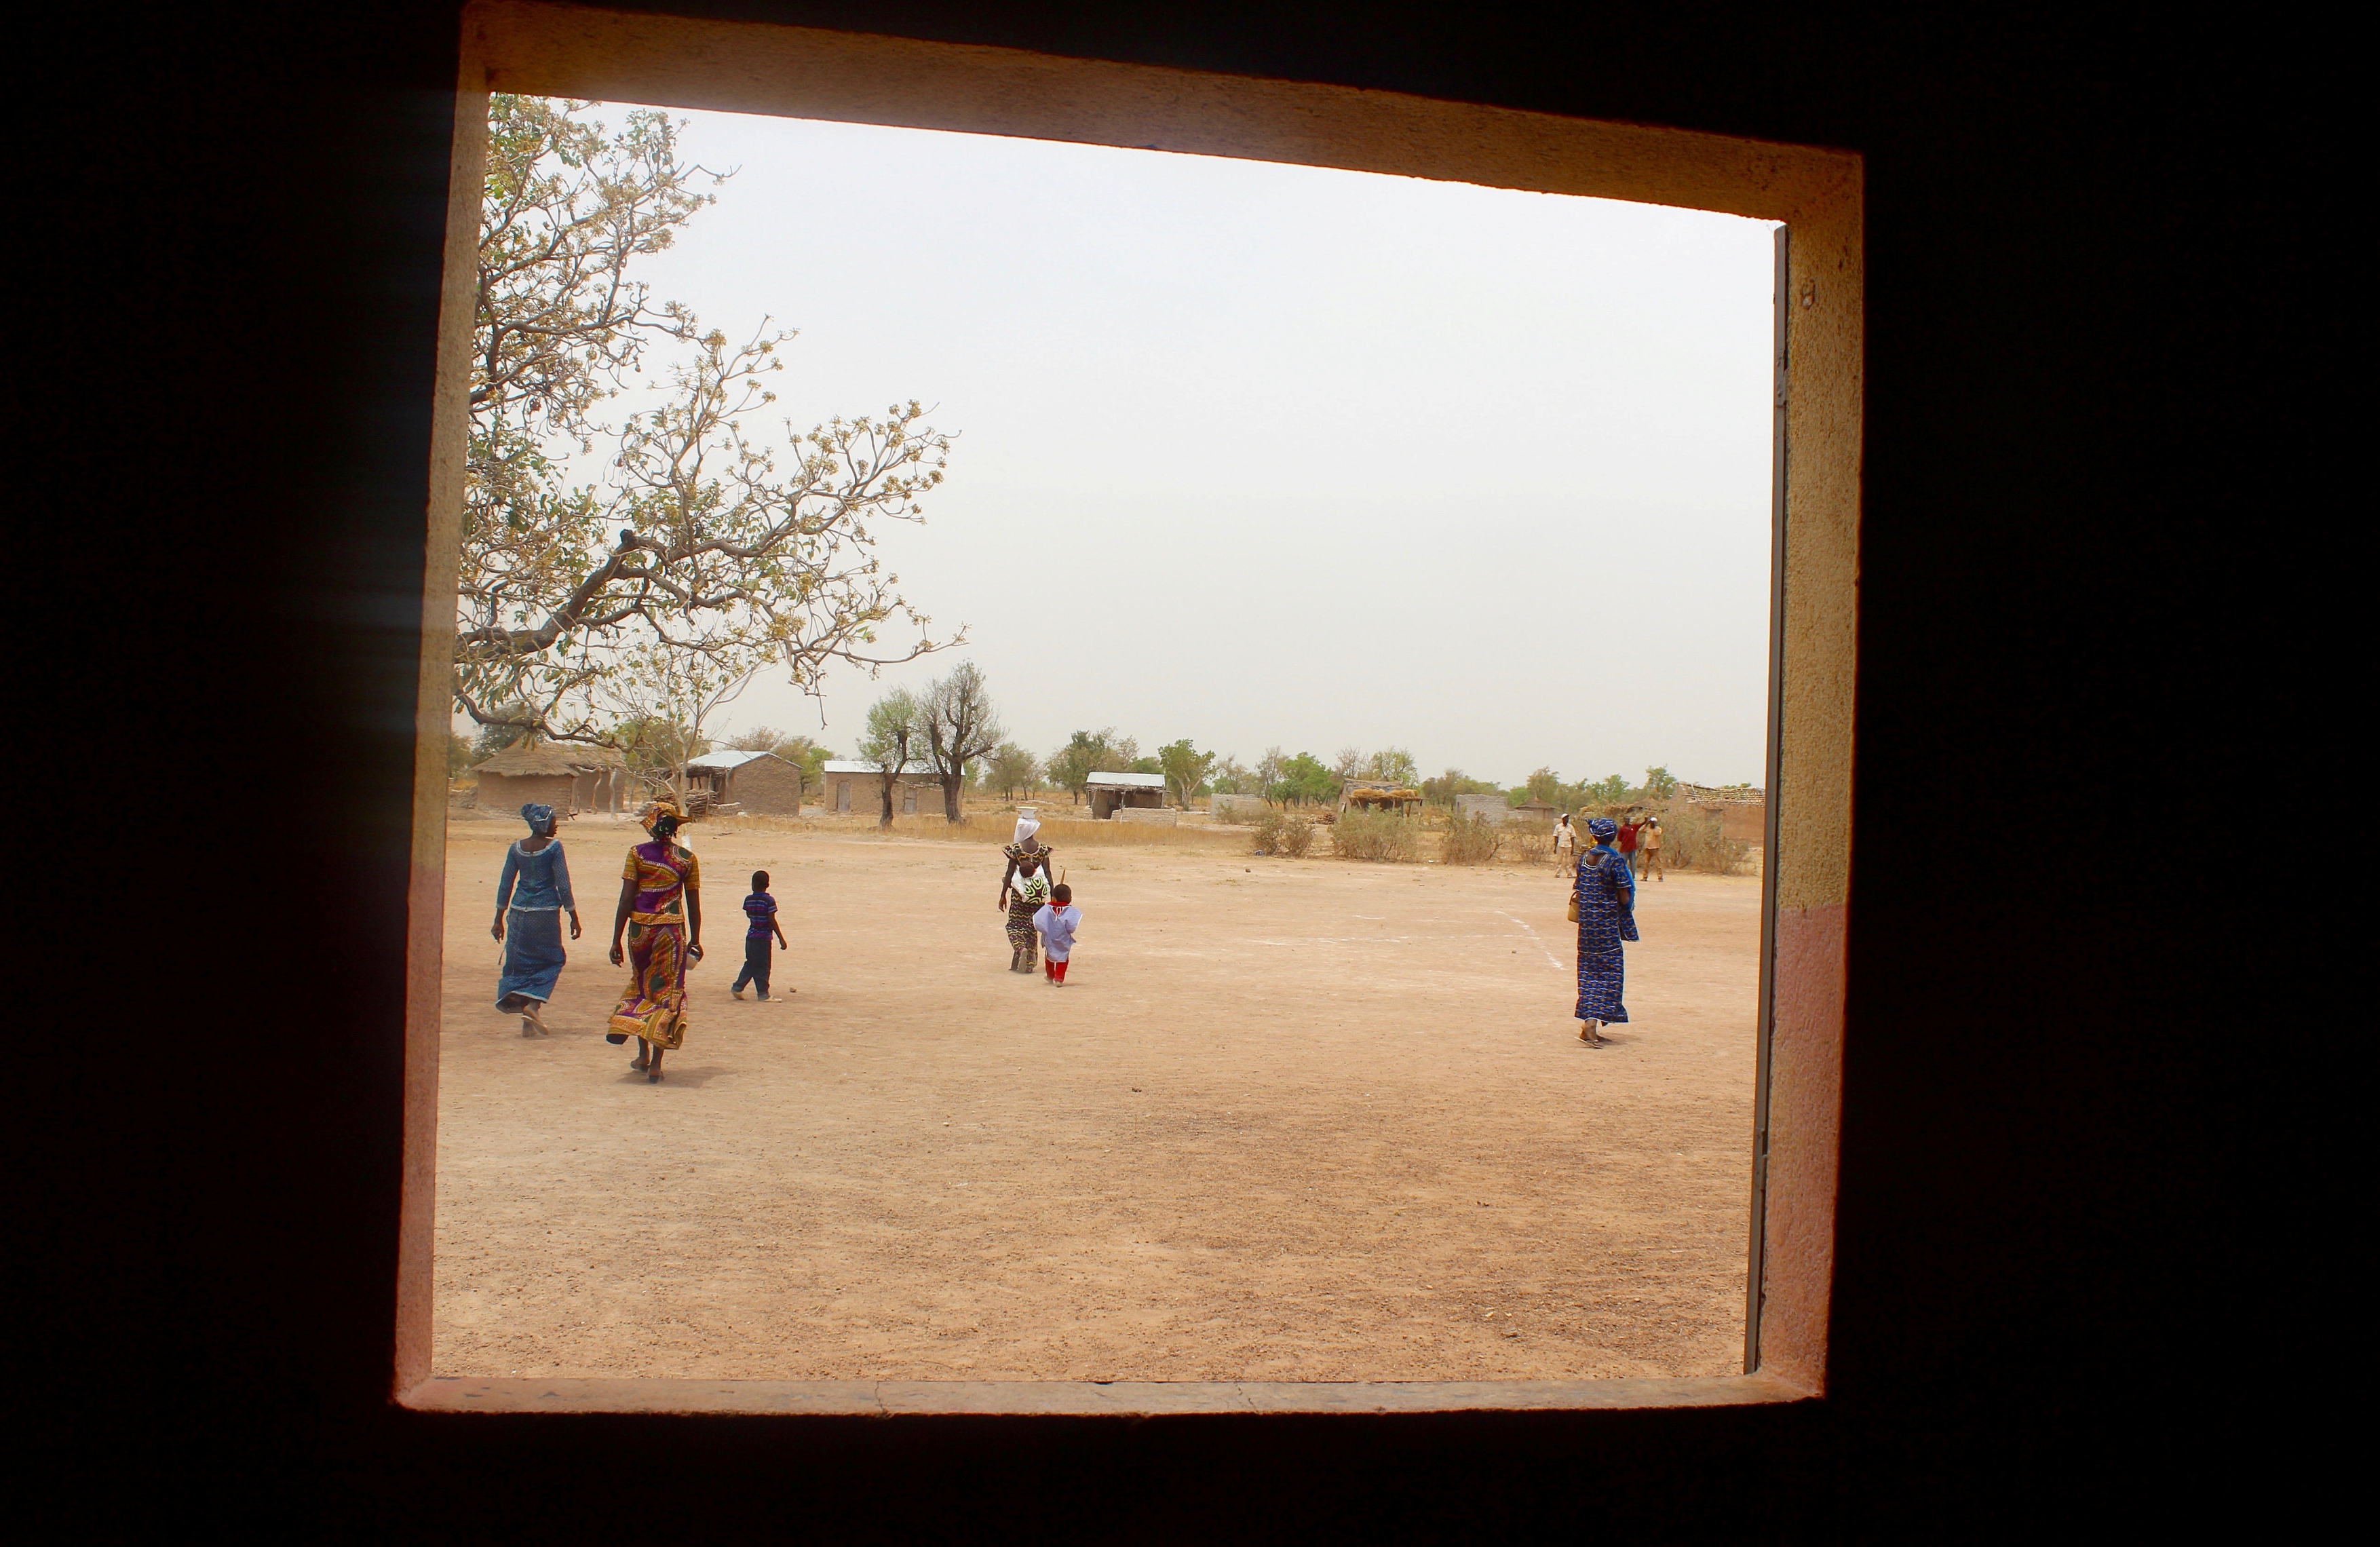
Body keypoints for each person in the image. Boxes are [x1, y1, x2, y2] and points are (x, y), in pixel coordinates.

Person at [606, 798, 703, 1082]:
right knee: (666, 993)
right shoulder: (687, 859)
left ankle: (643, 1054)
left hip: (640, 933)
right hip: (671, 934)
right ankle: (657, 1063)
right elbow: (693, 904)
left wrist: (615, 939)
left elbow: (626, 899)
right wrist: (695, 939)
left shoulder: (636, 854)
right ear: (674, 829)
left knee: (643, 988)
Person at [492, 802, 581, 1036]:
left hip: (519, 914)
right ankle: (532, 1006)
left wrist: (498, 919)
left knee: (521, 964)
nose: (557, 826)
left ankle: (527, 1023)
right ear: (544, 824)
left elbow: (505, 884)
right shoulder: (554, 848)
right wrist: (573, 915)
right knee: (552, 961)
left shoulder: (516, 848)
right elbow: (563, 883)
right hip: (545, 914)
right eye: (554, 821)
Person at [1571, 816, 1638, 1046]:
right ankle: (1591, 1025)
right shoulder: (1614, 861)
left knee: (1589, 974)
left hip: (1586, 928)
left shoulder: (1583, 860)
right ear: (1614, 838)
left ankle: (1589, 1023)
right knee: (1609, 975)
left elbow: (1579, 890)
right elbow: (1624, 895)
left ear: (1594, 837)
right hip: (1607, 927)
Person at [997, 815, 1056, 973]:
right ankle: (1028, 964)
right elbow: (1048, 873)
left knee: (1014, 925)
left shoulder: (1016, 850)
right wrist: (1053, 894)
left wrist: (1003, 895)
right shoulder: (1043, 850)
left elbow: (1010, 873)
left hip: (1019, 896)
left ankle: (1019, 947)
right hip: (1037, 897)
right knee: (1031, 928)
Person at [730, 869, 787, 1000]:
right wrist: (781, 939)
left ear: (753, 884)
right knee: (763, 966)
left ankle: (738, 987)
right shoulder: (769, 900)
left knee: (751, 963)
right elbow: (772, 920)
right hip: (763, 938)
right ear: (767, 885)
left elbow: (749, 915)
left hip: (751, 937)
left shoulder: (749, 899)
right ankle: (763, 993)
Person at [1033, 882, 1081, 985]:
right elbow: (1072, 927)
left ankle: (1050, 976)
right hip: (1063, 938)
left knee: (1049, 957)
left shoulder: (1047, 908)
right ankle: (1059, 978)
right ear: (1064, 897)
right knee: (1063, 959)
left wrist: (1046, 930)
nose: (1071, 898)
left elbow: (1038, 920)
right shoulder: (1069, 910)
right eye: (1070, 896)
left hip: (1050, 938)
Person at [1552, 811, 1581, 877]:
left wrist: (1572, 848)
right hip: (1560, 845)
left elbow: (1573, 838)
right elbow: (1556, 837)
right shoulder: (1558, 827)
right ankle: (1557, 874)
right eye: (1566, 818)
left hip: (1568, 846)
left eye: (1568, 818)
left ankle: (1569, 874)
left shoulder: (1571, 827)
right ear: (1562, 819)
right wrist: (1555, 847)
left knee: (1569, 861)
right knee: (1559, 860)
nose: (1567, 820)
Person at [1639, 816, 1665, 881]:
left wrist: (1655, 826)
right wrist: (1646, 824)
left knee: (1658, 864)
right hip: (1647, 848)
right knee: (1646, 863)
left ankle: (1660, 877)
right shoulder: (1647, 829)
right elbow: (1640, 830)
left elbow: (1657, 834)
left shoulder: (1658, 829)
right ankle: (1645, 877)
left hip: (1655, 848)